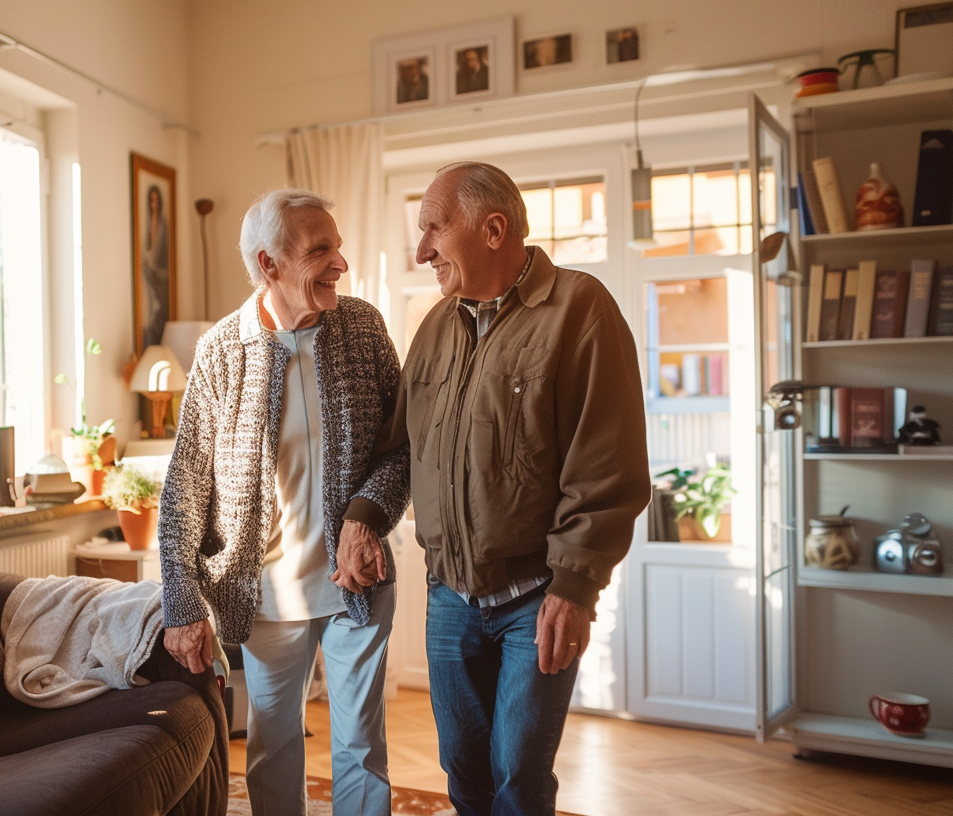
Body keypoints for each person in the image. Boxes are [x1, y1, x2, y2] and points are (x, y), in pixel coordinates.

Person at [401, 162, 650, 816]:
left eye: (434, 227)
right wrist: (366, 516)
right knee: (465, 777)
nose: (421, 249)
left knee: (518, 780)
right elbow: (402, 448)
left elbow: (608, 464)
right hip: (448, 596)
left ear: (492, 228)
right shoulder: (434, 329)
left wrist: (574, 589)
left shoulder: (579, 309)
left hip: (536, 598)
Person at [159, 188, 410, 816]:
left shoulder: (362, 328)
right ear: (269, 264)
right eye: (319, 250)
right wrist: (181, 597)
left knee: (360, 746)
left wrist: (363, 517)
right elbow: (186, 482)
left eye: (338, 247)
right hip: (266, 596)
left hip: (357, 582)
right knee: (274, 750)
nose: (339, 264)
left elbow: (402, 448)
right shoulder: (221, 351)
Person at [141, 184, 171, 351]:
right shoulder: (147, 222)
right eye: (151, 200)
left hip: (159, 274)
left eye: (156, 200)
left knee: (159, 306)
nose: (154, 204)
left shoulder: (163, 224)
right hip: (149, 272)